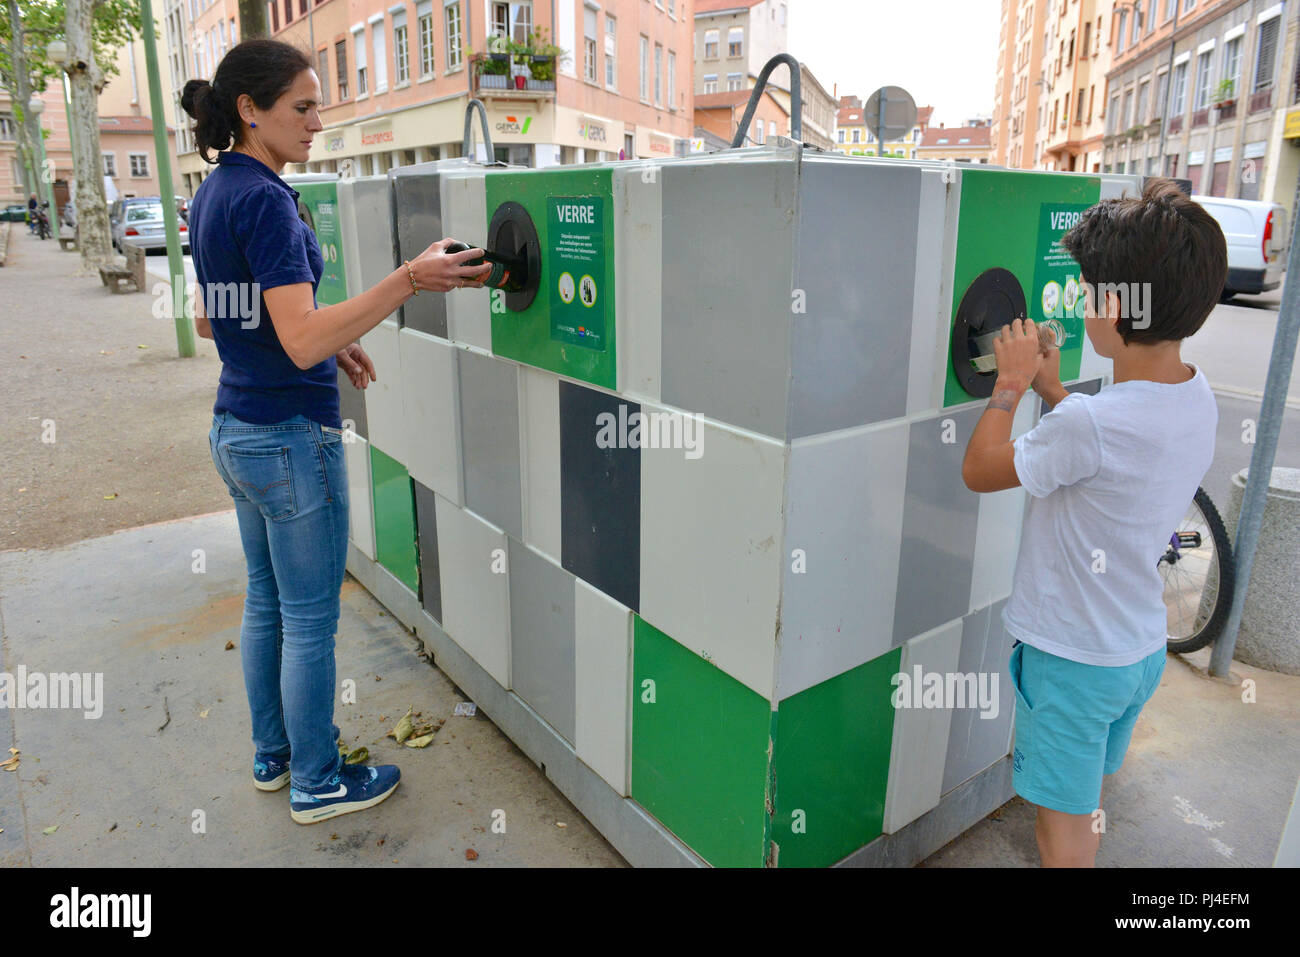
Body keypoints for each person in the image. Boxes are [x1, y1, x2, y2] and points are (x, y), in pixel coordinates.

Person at [181, 39, 492, 825]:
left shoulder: (218, 191)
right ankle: (319, 781)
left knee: (267, 602)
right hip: (289, 438)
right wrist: (409, 279)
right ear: (250, 110)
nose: (320, 121)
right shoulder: (269, 201)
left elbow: (214, 319)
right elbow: (298, 340)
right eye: (303, 107)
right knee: (311, 619)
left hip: (236, 428)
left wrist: (331, 334)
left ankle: (275, 757)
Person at [961, 178, 1225, 867]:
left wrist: (1012, 385)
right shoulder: (1196, 396)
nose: (1080, 304)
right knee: (1085, 805)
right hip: (1133, 652)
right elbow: (1111, 458)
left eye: (1085, 291)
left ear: (1115, 305)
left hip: (1074, 660)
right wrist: (1052, 387)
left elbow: (982, 469)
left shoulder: (1090, 423)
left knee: (1061, 833)